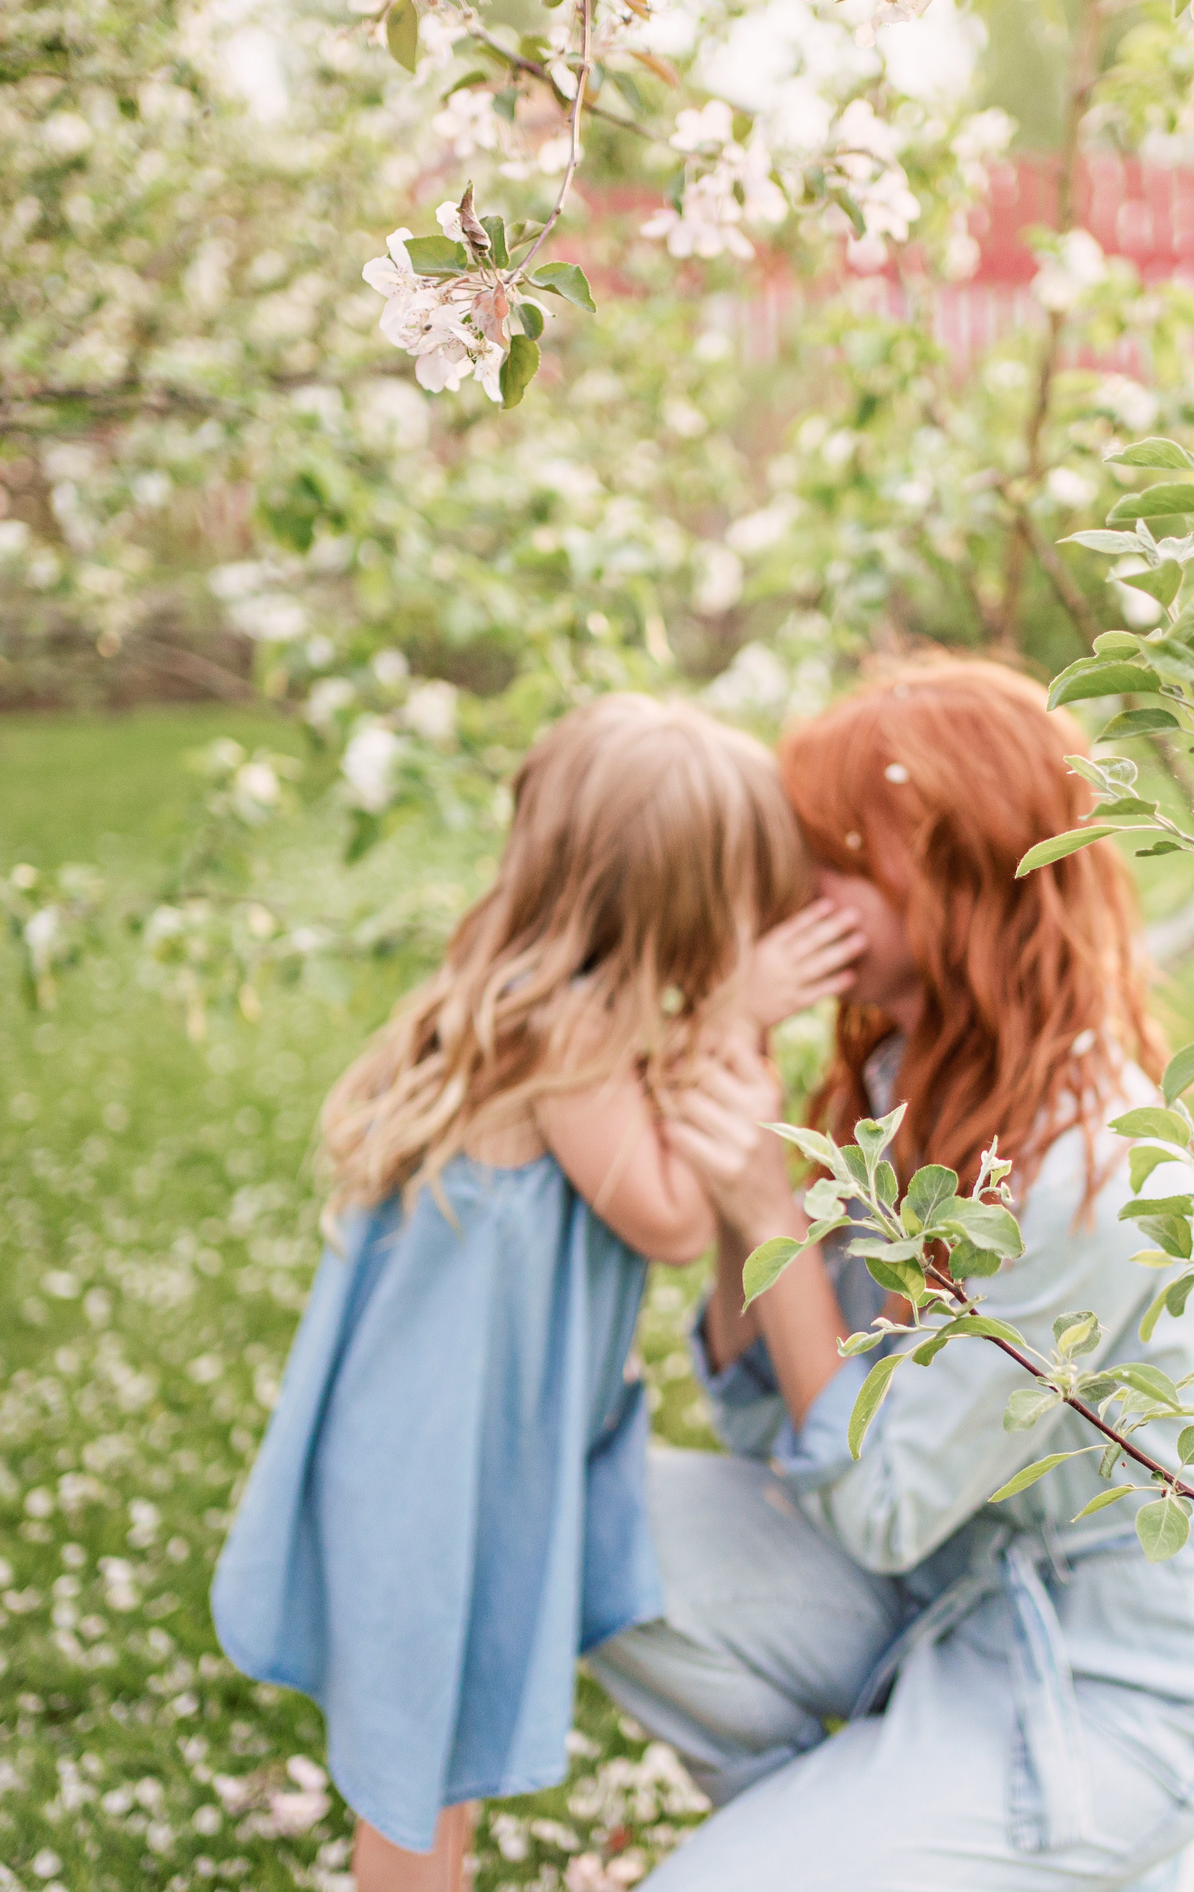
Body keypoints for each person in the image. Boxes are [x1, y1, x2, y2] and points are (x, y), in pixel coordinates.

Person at [590, 661, 1194, 1891]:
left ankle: (983, 1841)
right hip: (934, 1593)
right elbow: (774, 1422)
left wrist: (766, 1205)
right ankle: (857, 1823)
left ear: (964, 873)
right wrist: (741, 1153)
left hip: (1105, 1690)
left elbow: (882, 1497)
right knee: (577, 1515)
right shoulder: (903, 1073)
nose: (800, 887)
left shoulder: (1085, 1165)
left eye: (843, 854)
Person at [209, 695, 863, 1892]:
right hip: (433, 1466)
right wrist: (732, 1020)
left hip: (458, 1447)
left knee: (437, 1759)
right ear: (666, 907)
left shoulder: (555, 1004)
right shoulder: (565, 1034)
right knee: (417, 1772)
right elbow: (670, 1217)